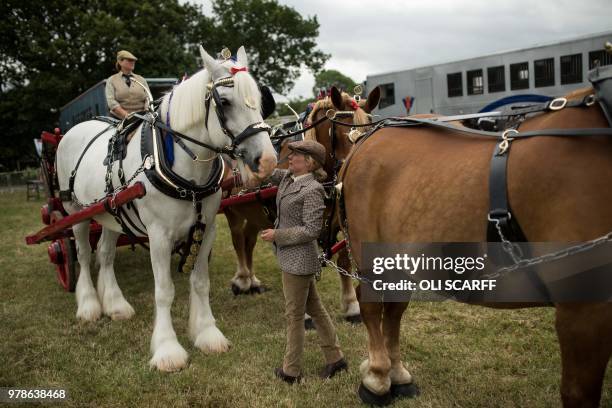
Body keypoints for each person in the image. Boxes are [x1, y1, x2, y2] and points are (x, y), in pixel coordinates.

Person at [260, 139, 348, 384]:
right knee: (316, 310)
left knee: (295, 315)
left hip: (299, 262)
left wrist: (277, 235)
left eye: (296, 156)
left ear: (309, 164)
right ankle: (336, 358)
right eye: (291, 154)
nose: (290, 157)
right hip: (291, 258)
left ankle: (291, 370)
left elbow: (311, 230)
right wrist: (256, 162)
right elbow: (270, 174)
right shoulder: (289, 178)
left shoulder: (313, 190)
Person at [105, 50, 151, 119]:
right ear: (120, 62)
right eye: (129, 60)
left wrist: (146, 111)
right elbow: (111, 103)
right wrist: (127, 115)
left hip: (142, 119)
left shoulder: (142, 80)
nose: (133, 62)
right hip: (118, 120)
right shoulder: (111, 80)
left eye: (134, 60)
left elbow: (148, 98)